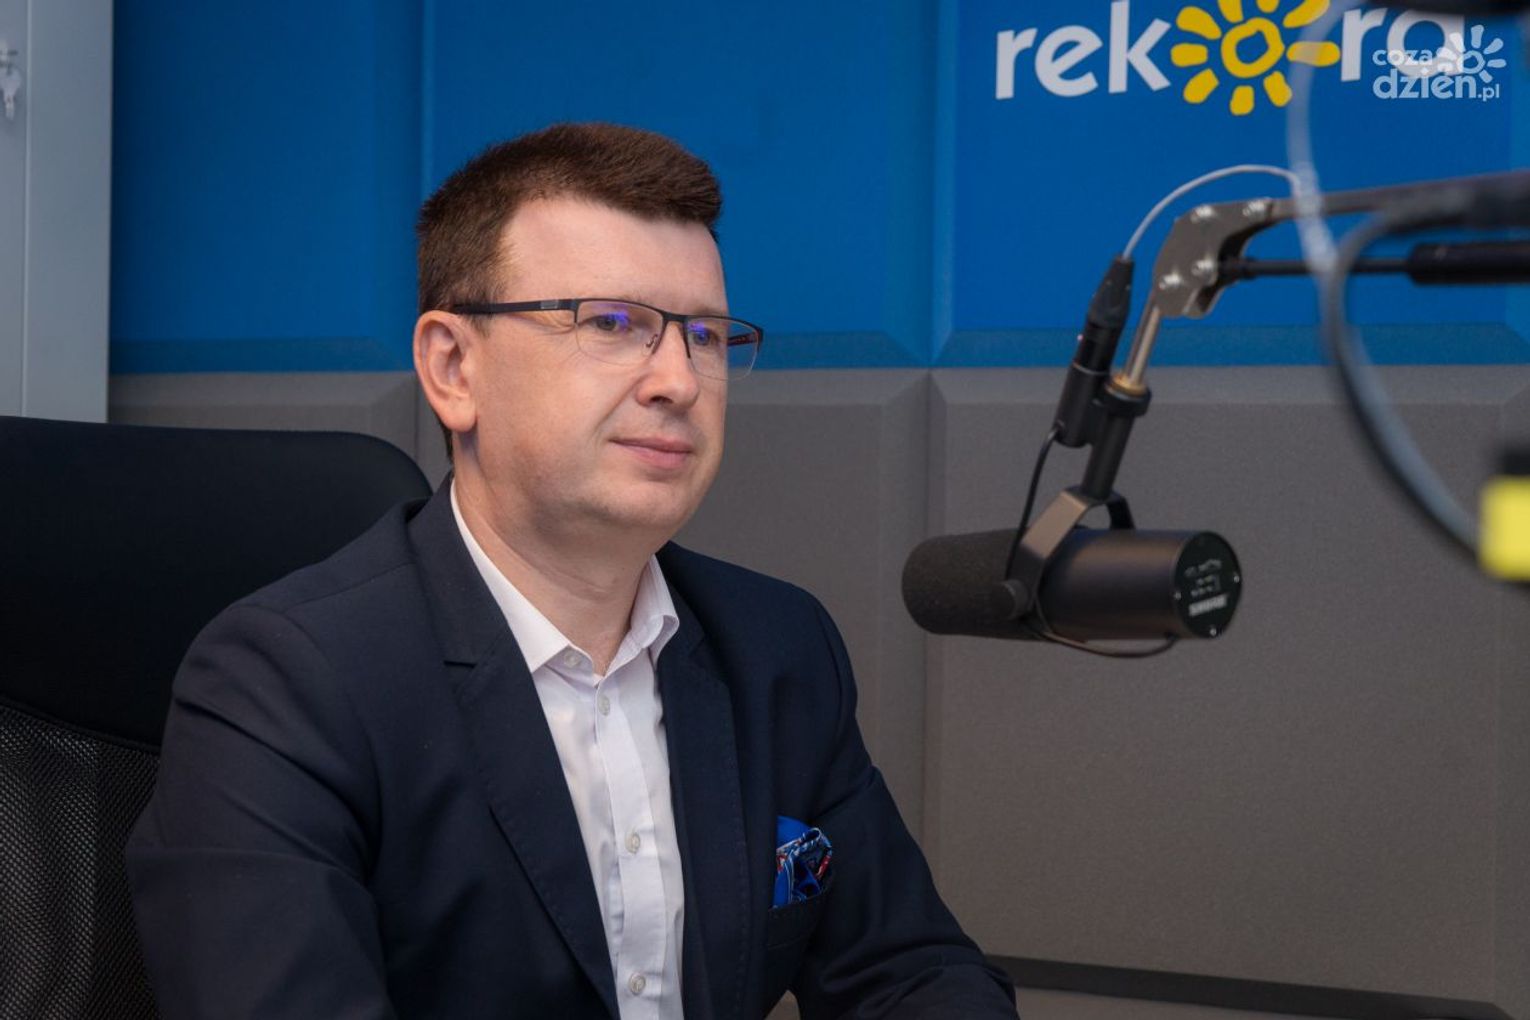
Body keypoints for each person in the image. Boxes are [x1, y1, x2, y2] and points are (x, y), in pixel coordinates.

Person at [126, 122, 1018, 1019]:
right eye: (614, 324)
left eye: (706, 336)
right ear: (453, 367)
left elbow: (912, 974)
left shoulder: (778, 647)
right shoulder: (283, 682)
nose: (678, 380)